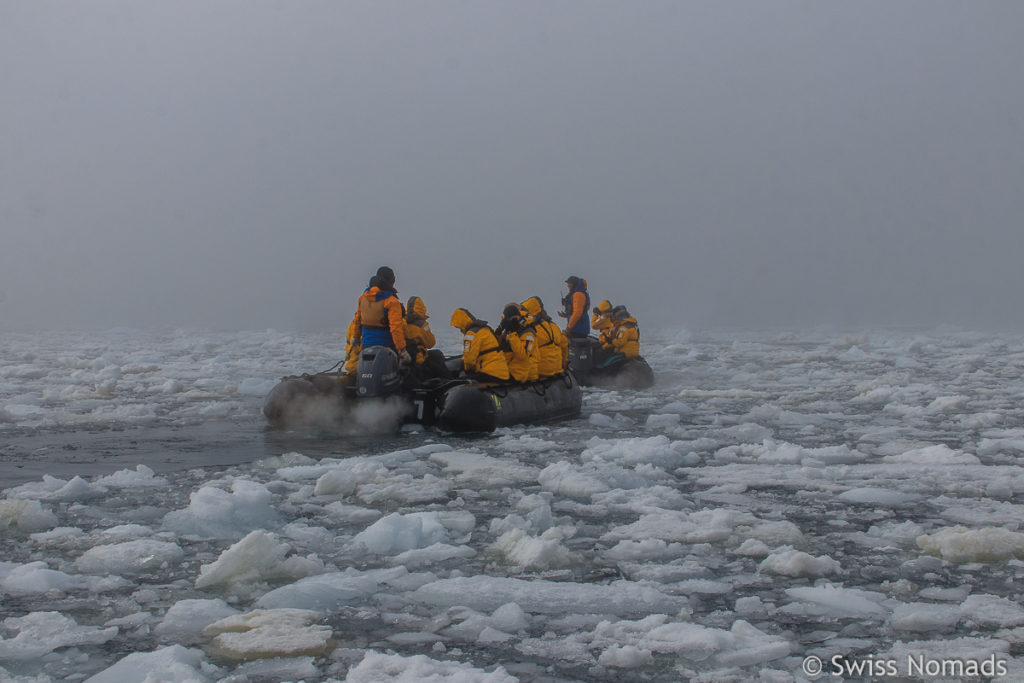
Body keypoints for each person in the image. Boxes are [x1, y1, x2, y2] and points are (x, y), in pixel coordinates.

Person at [345, 267, 410, 373]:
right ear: (392, 281)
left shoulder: (363, 298)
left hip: (366, 345)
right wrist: (402, 350)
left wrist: (356, 338)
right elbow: (396, 328)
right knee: (405, 367)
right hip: (386, 346)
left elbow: (357, 320)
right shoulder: (391, 301)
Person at [450, 308, 510, 382]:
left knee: (456, 382)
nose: (460, 331)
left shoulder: (471, 334)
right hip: (502, 373)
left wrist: (465, 370)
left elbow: (469, 360)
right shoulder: (484, 329)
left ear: (462, 323)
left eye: (459, 327)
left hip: (490, 373)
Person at [520, 296, 568, 378]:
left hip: (540, 371)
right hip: (557, 369)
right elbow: (564, 344)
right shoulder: (554, 326)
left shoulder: (529, 331)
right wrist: (564, 362)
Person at [495, 303, 537, 383]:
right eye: (511, 318)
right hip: (506, 369)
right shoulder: (508, 330)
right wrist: (498, 331)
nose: (514, 320)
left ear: (520, 316)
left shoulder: (528, 333)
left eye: (515, 317)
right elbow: (496, 344)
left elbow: (522, 355)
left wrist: (512, 334)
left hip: (518, 373)